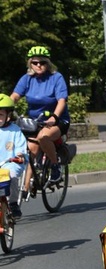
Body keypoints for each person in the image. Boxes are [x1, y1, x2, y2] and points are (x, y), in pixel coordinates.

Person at [10, 46, 70, 187]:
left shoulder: (56, 78)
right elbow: (15, 96)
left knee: (43, 137)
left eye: (42, 62)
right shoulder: (27, 79)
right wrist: (5, 109)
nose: (38, 65)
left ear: (48, 63)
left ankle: (55, 166)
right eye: (35, 62)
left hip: (57, 120)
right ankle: (24, 190)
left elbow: (62, 100)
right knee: (30, 150)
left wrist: (54, 116)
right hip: (35, 122)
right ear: (30, 63)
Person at [0, 94, 27, 219]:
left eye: (0, 115)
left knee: (11, 174)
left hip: (10, 162)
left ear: (8, 116)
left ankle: (13, 203)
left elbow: (21, 146)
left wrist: (20, 155)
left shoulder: (15, 130)